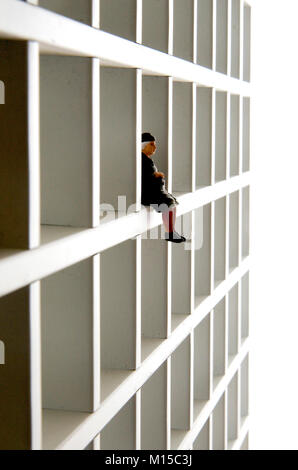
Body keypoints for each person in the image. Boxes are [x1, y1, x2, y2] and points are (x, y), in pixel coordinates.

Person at [141, 132, 186, 243]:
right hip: (149, 192)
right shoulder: (142, 160)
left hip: (154, 190)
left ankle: (171, 231)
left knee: (172, 202)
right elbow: (145, 176)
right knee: (169, 204)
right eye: (151, 144)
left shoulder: (146, 159)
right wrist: (156, 176)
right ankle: (170, 233)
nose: (154, 147)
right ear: (144, 145)